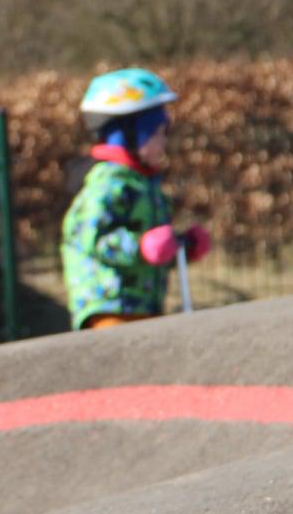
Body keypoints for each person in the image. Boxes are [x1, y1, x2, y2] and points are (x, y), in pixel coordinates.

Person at [61, 68, 211, 330]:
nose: (163, 142)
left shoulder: (144, 183)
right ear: (127, 135)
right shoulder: (107, 182)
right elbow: (93, 238)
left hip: (144, 308)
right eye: (156, 133)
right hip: (109, 307)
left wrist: (182, 247)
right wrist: (141, 246)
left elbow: (153, 251)